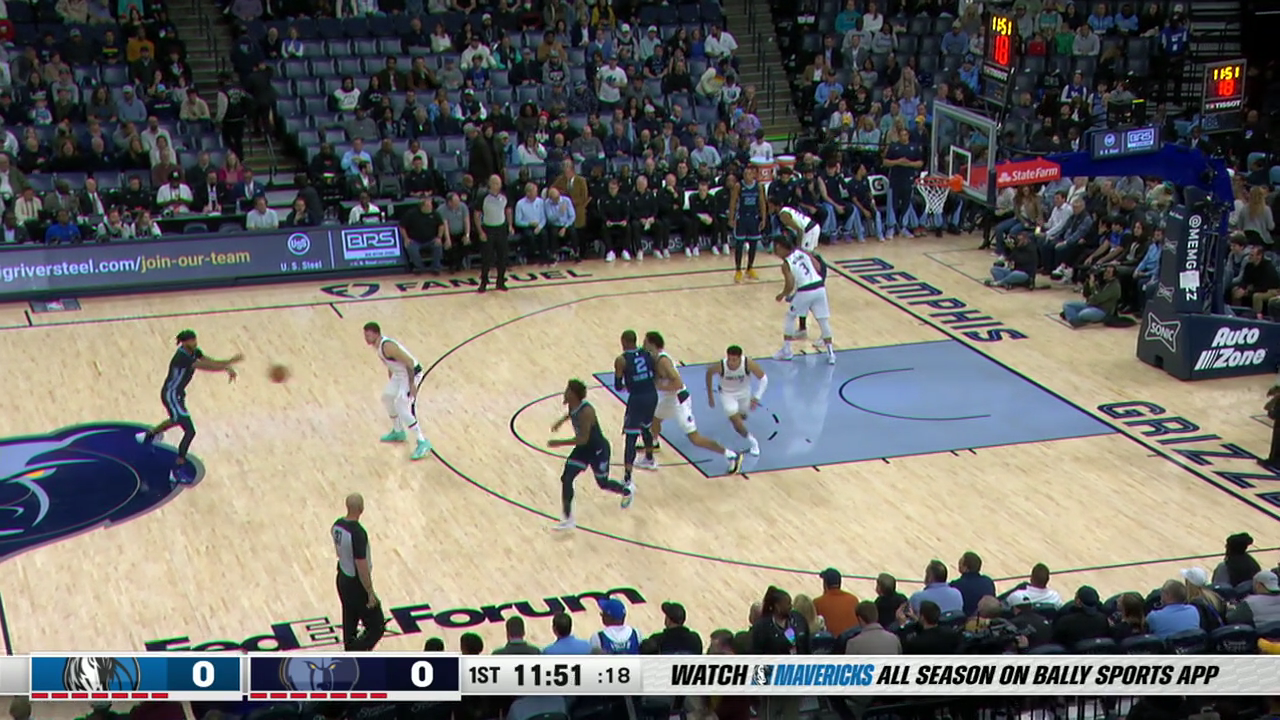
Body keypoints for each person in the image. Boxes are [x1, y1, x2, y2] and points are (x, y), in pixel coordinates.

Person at [136, 329, 243, 484]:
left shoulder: (194, 352)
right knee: (190, 431)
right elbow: (205, 367)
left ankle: (149, 435)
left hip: (178, 394)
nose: (195, 342)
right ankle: (176, 471)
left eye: (195, 339)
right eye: (192, 340)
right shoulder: (181, 357)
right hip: (171, 395)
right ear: (184, 342)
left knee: (176, 419)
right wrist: (229, 362)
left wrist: (226, 365)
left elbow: (210, 361)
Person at [646, 332, 742, 474]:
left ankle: (731, 455)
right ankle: (654, 442)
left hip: (679, 400)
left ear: (652, 344)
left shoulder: (663, 361)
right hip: (669, 398)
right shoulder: (655, 358)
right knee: (654, 419)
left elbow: (678, 384)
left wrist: (658, 386)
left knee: (695, 438)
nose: (643, 344)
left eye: (645, 342)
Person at [547, 379, 634, 530]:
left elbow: (583, 439)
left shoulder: (587, 412)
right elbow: (571, 414)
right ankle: (568, 518)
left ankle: (626, 491)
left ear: (574, 394)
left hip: (597, 450)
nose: (565, 393)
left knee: (603, 483)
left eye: (568, 391)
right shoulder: (573, 405)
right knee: (566, 478)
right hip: (583, 450)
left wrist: (559, 443)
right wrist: (560, 421)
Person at [363, 322, 431, 461]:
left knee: (401, 406)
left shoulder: (388, 346)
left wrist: (412, 384)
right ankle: (398, 432)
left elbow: (409, 362)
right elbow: (392, 362)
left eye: (368, 336)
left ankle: (422, 441)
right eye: (365, 335)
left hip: (411, 374)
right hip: (400, 374)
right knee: (387, 397)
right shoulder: (378, 346)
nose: (366, 339)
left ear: (376, 334)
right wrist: (392, 374)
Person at [331, 493, 386, 651]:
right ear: (361, 508)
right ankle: (358, 652)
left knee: (350, 620)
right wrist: (370, 591)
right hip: (356, 584)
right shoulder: (358, 533)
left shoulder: (337, 526)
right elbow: (361, 565)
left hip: (342, 577)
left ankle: (350, 652)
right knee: (376, 626)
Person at [772, 233, 836, 364]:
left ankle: (787, 350)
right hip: (820, 287)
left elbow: (790, 285)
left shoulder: (786, 264)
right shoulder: (802, 252)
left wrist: (782, 294)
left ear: (779, 247)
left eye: (775, 248)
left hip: (805, 290)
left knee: (790, 317)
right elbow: (818, 266)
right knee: (823, 321)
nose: (775, 252)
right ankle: (831, 354)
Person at [614, 330, 659, 486]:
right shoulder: (648, 355)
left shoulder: (621, 360)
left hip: (637, 399)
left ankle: (627, 478)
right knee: (646, 427)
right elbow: (655, 375)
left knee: (631, 437)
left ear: (624, 341)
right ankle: (650, 459)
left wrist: (630, 385)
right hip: (652, 395)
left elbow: (618, 386)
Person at [705, 345, 767, 456]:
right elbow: (709, 373)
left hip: (744, 393)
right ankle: (753, 442)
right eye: (729, 359)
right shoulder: (721, 366)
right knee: (736, 421)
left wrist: (757, 397)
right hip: (727, 395)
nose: (731, 362)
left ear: (740, 358)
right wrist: (710, 395)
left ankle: (740, 422)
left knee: (742, 416)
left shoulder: (748, 364)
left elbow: (764, 379)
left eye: (734, 360)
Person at [728, 164, 767, 283]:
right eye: (745, 174)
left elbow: (762, 203)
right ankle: (738, 270)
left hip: (754, 219)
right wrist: (731, 218)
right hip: (741, 218)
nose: (747, 176)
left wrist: (764, 219)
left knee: (753, 244)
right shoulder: (738, 186)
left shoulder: (759, 186)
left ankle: (750, 268)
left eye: (749, 174)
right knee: (739, 245)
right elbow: (733, 203)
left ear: (754, 175)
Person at [474, 173, 513, 293]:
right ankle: (484, 282)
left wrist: (510, 225)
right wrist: (480, 231)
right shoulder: (482, 196)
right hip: (488, 229)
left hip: (501, 229)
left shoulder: (505, 195)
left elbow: (508, 210)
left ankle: (500, 281)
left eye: (499, 183)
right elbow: (477, 215)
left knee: (502, 257)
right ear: (490, 184)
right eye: (495, 183)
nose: (498, 186)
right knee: (486, 258)